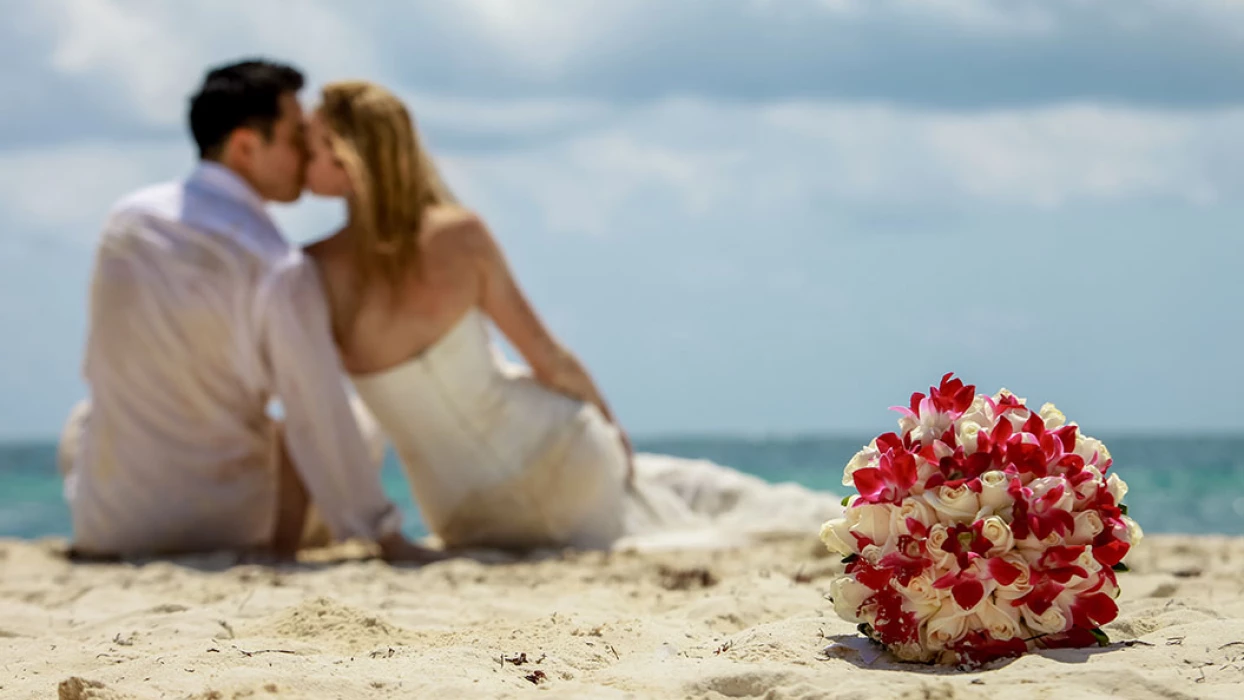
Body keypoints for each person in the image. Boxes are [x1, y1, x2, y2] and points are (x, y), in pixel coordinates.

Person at [302, 80, 838, 552]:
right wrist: (611, 426)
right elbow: (548, 358)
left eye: (314, 142)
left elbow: (325, 411)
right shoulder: (458, 235)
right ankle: (847, 516)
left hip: (461, 515)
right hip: (556, 461)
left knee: (680, 491)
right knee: (691, 489)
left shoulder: (315, 269)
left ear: (350, 160)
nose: (302, 151)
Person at [58, 60, 437, 563]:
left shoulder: (125, 221)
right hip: (225, 522)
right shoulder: (276, 263)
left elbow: (97, 363)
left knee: (85, 417)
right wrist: (384, 533)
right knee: (356, 420)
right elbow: (316, 411)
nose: (307, 152)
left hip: (108, 522)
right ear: (245, 147)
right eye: (295, 137)